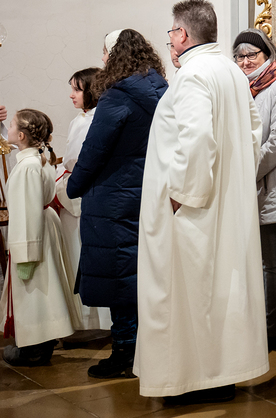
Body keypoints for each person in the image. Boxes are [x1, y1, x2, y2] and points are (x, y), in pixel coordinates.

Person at [134, 0, 266, 404]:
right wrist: (235, 180)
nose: (171, 39)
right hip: (225, 197)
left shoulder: (192, 74)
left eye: (172, 32)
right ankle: (221, 373)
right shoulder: (230, 70)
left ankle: (185, 380)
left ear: (182, 34)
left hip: (192, 205)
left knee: (183, 292)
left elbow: (196, 140)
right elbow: (254, 132)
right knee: (219, 291)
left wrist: (182, 194)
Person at [66, 30, 168, 378]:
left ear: (115, 55)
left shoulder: (117, 96)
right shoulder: (160, 89)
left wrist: (74, 185)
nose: (103, 59)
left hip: (113, 197)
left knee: (119, 279)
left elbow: (94, 150)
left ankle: (125, 353)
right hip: (148, 192)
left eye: (105, 53)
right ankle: (146, 349)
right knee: (140, 274)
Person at [232, 28, 276, 353]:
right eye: (239, 56)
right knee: (250, 263)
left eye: (251, 55)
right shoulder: (241, 88)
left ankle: (272, 331)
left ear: (267, 54)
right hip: (247, 187)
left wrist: (246, 171)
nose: (245, 61)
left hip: (271, 186)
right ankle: (252, 326)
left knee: (273, 265)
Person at [1, 109, 83, 366]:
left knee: (35, 291)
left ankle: (34, 349)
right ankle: (41, 342)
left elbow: (26, 212)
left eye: (11, 125)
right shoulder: (39, 157)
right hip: (44, 228)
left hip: (33, 232)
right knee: (46, 290)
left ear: (21, 136)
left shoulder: (27, 167)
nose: (8, 129)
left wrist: (25, 253)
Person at [54, 67, 112, 334]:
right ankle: (84, 321)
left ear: (92, 90)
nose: (71, 95)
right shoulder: (81, 119)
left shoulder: (95, 120)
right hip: (73, 189)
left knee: (83, 255)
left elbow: (81, 161)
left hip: (83, 194)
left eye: (77, 89)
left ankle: (96, 323)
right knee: (75, 254)